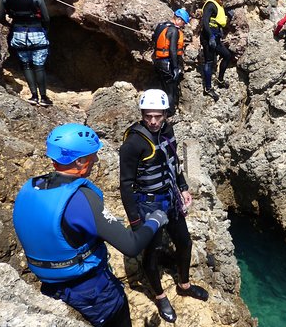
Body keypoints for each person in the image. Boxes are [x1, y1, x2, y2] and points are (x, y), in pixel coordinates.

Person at [12, 123, 169, 327]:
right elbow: (132, 246)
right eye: (91, 156)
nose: (95, 160)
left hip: (50, 287)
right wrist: (156, 220)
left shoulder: (29, 188)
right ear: (79, 162)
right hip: (91, 293)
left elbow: (56, 228)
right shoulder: (80, 198)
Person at [119, 89, 208, 323]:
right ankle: (159, 296)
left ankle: (184, 284)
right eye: (148, 116)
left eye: (158, 116)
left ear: (166, 114)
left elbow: (174, 162)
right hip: (148, 206)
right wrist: (135, 221)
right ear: (142, 114)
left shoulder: (167, 131)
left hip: (170, 199)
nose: (153, 121)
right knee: (153, 252)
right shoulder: (133, 143)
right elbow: (126, 185)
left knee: (185, 242)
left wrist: (184, 186)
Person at [0, 0, 52, 106]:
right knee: (39, 66)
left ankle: (34, 97)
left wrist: (11, 25)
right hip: (37, 33)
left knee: (26, 65)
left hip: (18, 34)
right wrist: (45, 29)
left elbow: (0, 18)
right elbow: (46, 18)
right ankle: (44, 98)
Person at [153, 8, 190, 116]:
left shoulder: (161, 26)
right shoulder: (174, 30)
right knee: (170, 89)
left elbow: (154, 39)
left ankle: (162, 110)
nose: (183, 25)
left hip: (158, 62)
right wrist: (175, 67)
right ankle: (170, 112)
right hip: (166, 63)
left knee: (163, 87)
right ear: (179, 19)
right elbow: (173, 50)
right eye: (183, 22)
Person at [201, 0, 233, 101]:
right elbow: (205, 21)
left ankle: (220, 80)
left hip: (216, 37)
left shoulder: (220, 7)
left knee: (227, 55)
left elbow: (220, 22)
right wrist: (210, 37)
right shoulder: (210, 4)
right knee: (209, 62)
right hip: (208, 37)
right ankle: (208, 88)